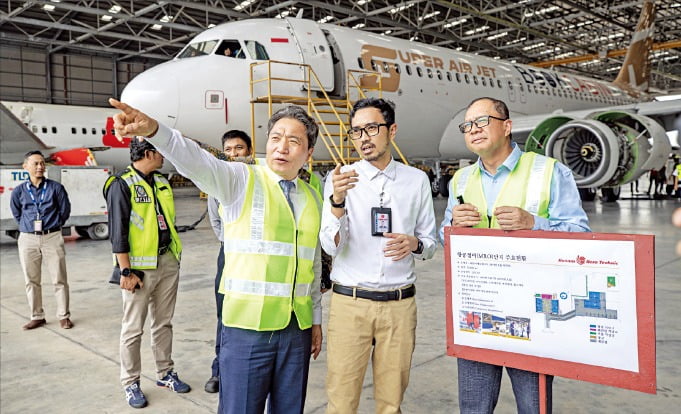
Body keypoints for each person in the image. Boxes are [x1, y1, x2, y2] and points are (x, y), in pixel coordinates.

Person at [108, 98, 323, 414]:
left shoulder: (311, 197)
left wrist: (315, 320)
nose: (282, 147)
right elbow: (195, 160)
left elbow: (313, 264)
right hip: (247, 331)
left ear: (308, 154)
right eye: (276, 137)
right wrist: (155, 131)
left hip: (296, 332)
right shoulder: (241, 179)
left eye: (294, 141)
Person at [439, 97, 591, 413]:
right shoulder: (461, 180)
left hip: (533, 316)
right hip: (477, 313)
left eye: (482, 121)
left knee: (534, 406)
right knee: (473, 407)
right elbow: (444, 238)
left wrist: (534, 223)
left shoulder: (548, 171)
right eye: (467, 125)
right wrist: (453, 225)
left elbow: (580, 236)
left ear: (507, 126)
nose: (473, 130)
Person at [321, 97, 437, 413]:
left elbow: (430, 243)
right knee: (342, 401)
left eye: (371, 128)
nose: (363, 138)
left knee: (391, 402)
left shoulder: (416, 181)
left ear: (392, 130)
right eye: (356, 132)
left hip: (399, 306)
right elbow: (330, 246)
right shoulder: (341, 181)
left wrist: (414, 244)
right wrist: (337, 201)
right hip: (350, 305)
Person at [104, 139, 190, 409]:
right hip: (139, 269)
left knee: (163, 323)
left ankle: (165, 373)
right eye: (160, 151)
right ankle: (130, 382)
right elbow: (117, 232)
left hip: (166, 261)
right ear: (148, 153)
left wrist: (173, 258)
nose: (164, 156)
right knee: (133, 329)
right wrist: (125, 270)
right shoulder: (121, 184)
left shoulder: (162, 182)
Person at [204, 129, 254, 394]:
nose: (234, 154)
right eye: (229, 150)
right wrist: (230, 241)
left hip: (255, 256)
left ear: (250, 151)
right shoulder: (218, 183)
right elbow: (215, 220)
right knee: (225, 314)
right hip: (229, 253)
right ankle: (219, 370)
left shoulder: (257, 181)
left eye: (239, 149)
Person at [10, 150, 73, 330]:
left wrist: (54, 224)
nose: (40, 167)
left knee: (59, 278)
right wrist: (28, 226)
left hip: (52, 236)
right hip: (28, 238)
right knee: (31, 279)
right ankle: (37, 316)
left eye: (42, 163)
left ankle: (63, 316)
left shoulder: (56, 188)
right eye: (35, 163)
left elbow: (64, 211)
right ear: (25, 167)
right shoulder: (19, 191)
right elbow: (17, 212)